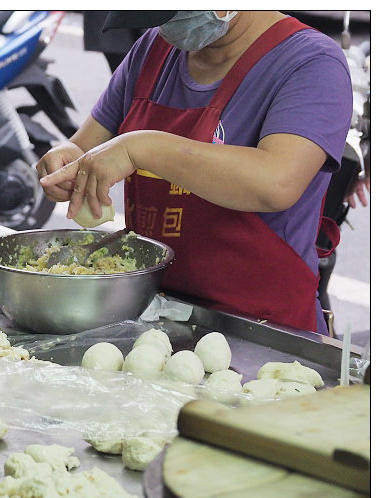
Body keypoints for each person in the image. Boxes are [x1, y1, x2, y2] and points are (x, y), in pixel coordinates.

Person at [37, 11, 353, 334]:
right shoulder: (151, 52)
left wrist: (140, 148)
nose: (165, 26)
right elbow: (86, 147)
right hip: (151, 324)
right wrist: (69, 162)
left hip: (264, 337)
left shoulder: (312, 63)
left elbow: (276, 182)